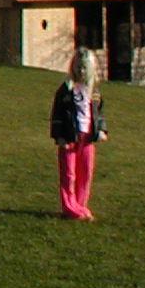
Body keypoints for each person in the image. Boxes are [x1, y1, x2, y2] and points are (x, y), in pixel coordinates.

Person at [49, 49, 107, 220]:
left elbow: (99, 113)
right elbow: (57, 114)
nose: (81, 71)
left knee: (85, 172)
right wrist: (59, 136)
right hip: (69, 136)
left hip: (87, 138)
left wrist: (101, 130)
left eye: (84, 68)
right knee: (69, 173)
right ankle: (69, 207)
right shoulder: (66, 90)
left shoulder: (94, 92)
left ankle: (80, 205)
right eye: (78, 67)